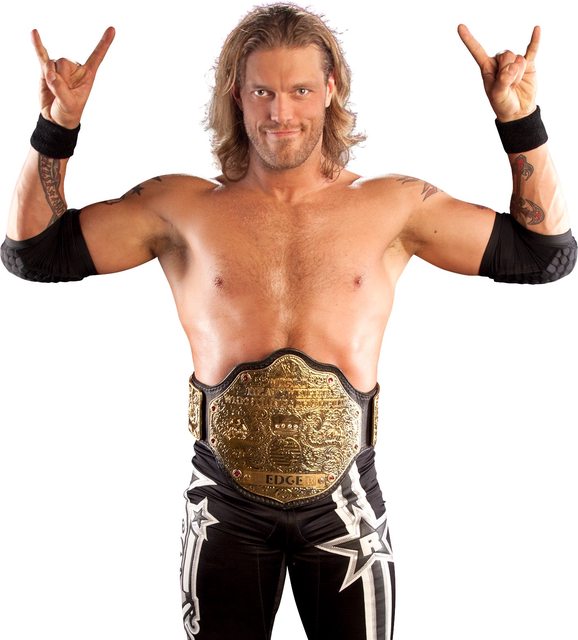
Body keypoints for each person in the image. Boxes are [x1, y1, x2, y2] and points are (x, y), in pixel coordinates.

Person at [2, 3, 575, 640]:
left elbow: (543, 254)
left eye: (300, 90)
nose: (281, 113)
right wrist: (58, 127)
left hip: (346, 509)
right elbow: (34, 254)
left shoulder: (392, 206)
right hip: (224, 505)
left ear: (330, 90)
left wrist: (519, 119)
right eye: (263, 92)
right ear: (236, 95)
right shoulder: (179, 207)